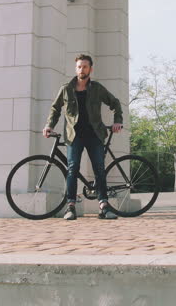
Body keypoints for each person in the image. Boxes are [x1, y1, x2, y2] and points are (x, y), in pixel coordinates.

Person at [43, 54, 124, 220]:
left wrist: (118, 121)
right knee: (72, 169)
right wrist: (49, 125)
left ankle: (104, 206)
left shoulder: (97, 88)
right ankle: (71, 206)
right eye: (79, 67)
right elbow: (55, 109)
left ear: (90, 69)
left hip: (95, 134)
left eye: (85, 67)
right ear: (76, 69)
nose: (82, 69)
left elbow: (115, 103)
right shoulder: (66, 89)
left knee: (99, 169)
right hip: (74, 136)